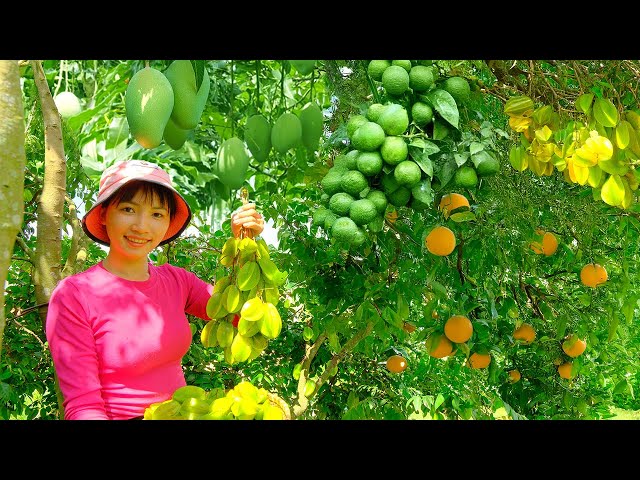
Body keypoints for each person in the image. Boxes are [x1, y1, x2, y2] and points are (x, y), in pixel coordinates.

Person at [45, 160, 264, 420]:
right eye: (128, 209)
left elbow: (241, 317)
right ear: (104, 214)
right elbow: (83, 406)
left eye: (157, 214)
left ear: (168, 221)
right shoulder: (74, 295)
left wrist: (245, 245)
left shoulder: (177, 281)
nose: (142, 226)